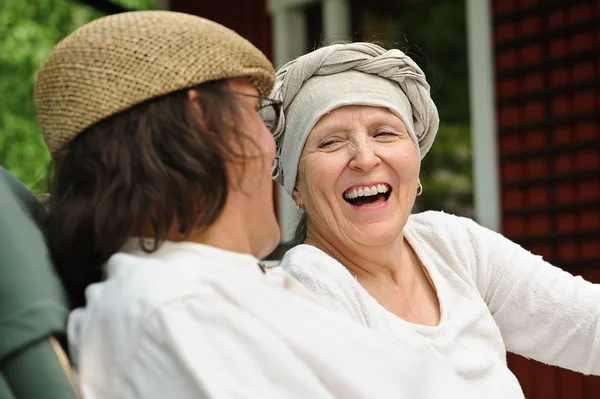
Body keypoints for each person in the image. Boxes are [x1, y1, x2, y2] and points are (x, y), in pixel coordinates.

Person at [34, 11, 465, 399]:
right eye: (263, 114)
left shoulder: (214, 292)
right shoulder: (177, 315)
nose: (272, 148)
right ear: (205, 124)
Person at [272, 42, 600, 398]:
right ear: (297, 187)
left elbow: (589, 328)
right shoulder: (308, 287)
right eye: (331, 142)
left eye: (384, 133)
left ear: (415, 164)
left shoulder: (452, 243)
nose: (365, 158)